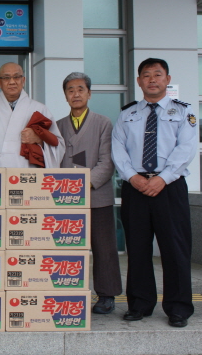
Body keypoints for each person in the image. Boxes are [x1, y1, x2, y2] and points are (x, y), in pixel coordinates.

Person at [112, 58, 197, 328]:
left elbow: (186, 149)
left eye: (157, 74)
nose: (152, 79)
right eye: (146, 75)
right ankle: (139, 304)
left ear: (167, 79)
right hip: (135, 187)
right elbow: (118, 149)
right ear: (139, 81)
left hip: (170, 187)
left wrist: (163, 178)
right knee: (137, 248)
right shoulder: (127, 114)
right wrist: (132, 177)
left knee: (175, 248)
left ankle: (178, 307)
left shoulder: (184, 112)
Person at [56, 72, 122, 315]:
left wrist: (83, 185)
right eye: (70, 90)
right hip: (65, 198)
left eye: (80, 89)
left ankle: (106, 295)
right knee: (66, 248)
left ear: (89, 93)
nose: (76, 94)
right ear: (65, 96)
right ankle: (67, 291)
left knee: (104, 248)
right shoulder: (58, 126)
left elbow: (107, 161)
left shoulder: (103, 123)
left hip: (97, 196)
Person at [0, 62, 64, 167]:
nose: (12, 82)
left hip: (28, 171)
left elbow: (58, 145)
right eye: (6, 78)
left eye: (16, 77)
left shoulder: (40, 109)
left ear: (23, 80)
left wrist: (39, 140)